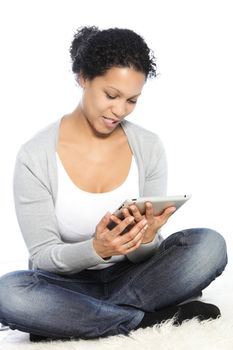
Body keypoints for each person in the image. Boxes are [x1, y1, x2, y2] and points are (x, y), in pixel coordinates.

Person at [0, 26, 227, 342]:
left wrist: (147, 237)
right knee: (7, 293)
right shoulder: (35, 156)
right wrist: (96, 250)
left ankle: (71, 319)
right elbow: (42, 256)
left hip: (133, 277)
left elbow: (149, 252)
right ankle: (144, 319)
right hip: (65, 284)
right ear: (83, 77)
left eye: (132, 100)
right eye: (111, 95)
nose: (119, 110)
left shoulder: (148, 147)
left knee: (209, 246)